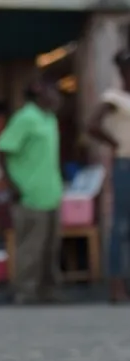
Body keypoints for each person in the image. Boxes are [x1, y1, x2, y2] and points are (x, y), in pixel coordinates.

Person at [0, 74, 63, 305]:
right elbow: (2, 149)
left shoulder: (50, 118)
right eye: (52, 91)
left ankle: (48, 290)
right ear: (38, 93)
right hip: (29, 194)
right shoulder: (25, 118)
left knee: (50, 248)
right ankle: (26, 292)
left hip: (51, 192)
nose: (57, 97)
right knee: (31, 247)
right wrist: (11, 184)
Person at [87, 49, 130, 303]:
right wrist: (113, 143)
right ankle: (116, 287)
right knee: (122, 226)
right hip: (125, 164)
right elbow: (92, 124)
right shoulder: (114, 97)